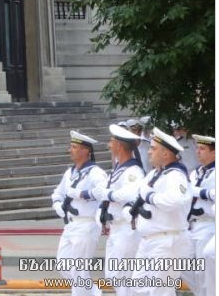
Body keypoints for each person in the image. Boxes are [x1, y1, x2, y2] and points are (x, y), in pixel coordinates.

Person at [129, 127, 191, 296]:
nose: (149, 152)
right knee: (138, 287)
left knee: (161, 291)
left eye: (153, 148)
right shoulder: (154, 174)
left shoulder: (175, 175)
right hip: (149, 240)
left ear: (165, 153)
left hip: (166, 241)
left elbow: (174, 201)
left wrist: (150, 197)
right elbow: (140, 191)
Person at [50, 131, 107, 296]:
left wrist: (81, 193)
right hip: (70, 224)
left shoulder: (96, 172)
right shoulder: (70, 172)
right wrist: (57, 204)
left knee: (78, 270)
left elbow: (103, 192)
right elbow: (58, 192)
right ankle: (94, 293)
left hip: (87, 224)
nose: (70, 150)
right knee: (63, 265)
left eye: (74, 147)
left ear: (85, 150)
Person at [91, 125, 144, 296]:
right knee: (114, 275)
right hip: (116, 228)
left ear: (120, 145)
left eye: (111, 141)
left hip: (127, 229)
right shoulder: (119, 169)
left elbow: (131, 193)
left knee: (123, 276)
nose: (109, 145)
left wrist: (108, 194)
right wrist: (102, 209)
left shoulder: (133, 171)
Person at [182, 134, 215, 296]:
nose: (198, 152)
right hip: (191, 225)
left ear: (214, 153)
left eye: (202, 149)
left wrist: (200, 192)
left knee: (203, 271)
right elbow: (184, 191)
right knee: (183, 265)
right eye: (197, 148)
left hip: (208, 224)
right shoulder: (195, 173)